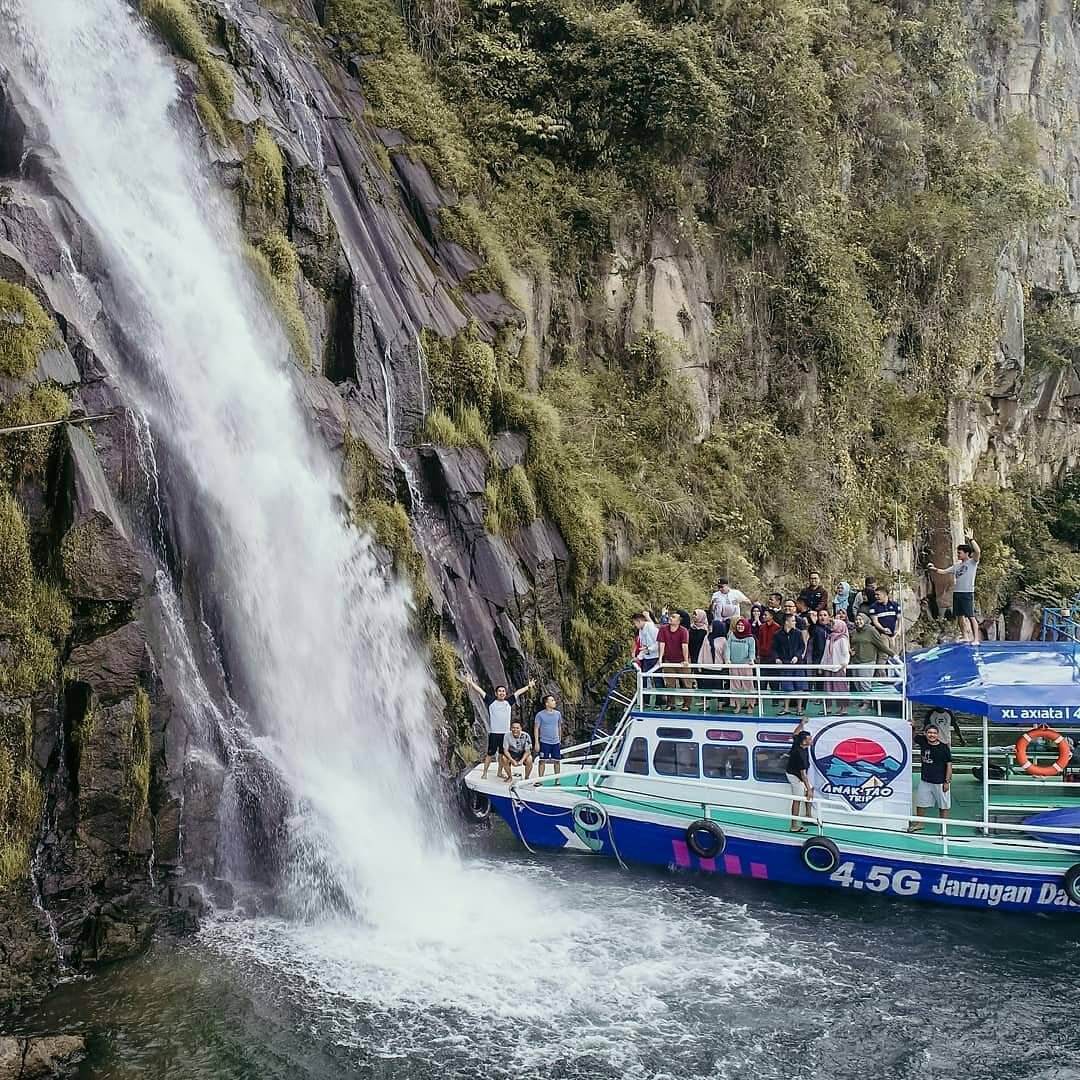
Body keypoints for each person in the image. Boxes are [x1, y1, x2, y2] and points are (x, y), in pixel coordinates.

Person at [461, 673, 536, 780]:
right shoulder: (491, 702)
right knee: (490, 754)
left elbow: (518, 692)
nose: (502, 693)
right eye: (499, 691)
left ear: (505, 694)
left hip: (506, 734)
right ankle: (485, 772)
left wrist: (529, 686)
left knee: (502, 755)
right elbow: (480, 691)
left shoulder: (508, 702)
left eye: (503, 691)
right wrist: (471, 682)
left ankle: (500, 772)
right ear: (496, 693)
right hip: (494, 733)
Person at [928, 538, 981, 644]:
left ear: (967, 553)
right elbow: (943, 571)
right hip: (957, 593)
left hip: (967, 593)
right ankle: (965, 636)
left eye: (960, 553)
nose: (958, 554)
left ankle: (976, 639)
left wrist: (971, 539)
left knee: (970, 616)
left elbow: (978, 551)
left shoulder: (972, 562)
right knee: (959, 615)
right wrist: (933, 568)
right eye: (957, 552)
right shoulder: (957, 566)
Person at [908, 723, 952, 830]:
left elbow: (949, 765)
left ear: (937, 734)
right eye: (930, 733)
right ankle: (920, 823)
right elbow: (912, 735)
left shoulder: (943, 748)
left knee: (943, 805)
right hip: (925, 780)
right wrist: (912, 726)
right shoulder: (923, 741)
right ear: (925, 733)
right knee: (921, 803)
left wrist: (947, 781)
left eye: (934, 733)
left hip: (940, 781)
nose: (932, 735)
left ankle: (943, 826)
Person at [848, 613, 888, 712]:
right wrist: (850, 650)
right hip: (855, 660)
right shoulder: (854, 632)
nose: (858, 621)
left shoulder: (871, 630)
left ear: (865, 620)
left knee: (864, 683)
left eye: (860, 619)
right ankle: (862, 700)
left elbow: (880, 645)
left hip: (867, 660)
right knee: (857, 683)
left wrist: (892, 654)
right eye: (856, 620)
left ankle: (867, 703)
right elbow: (852, 644)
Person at [774, 612, 808, 716]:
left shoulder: (798, 633)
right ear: (786, 622)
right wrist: (777, 658)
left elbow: (802, 646)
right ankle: (786, 708)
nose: (794, 622)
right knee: (786, 686)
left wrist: (797, 656)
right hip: (785, 663)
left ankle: (799, 708)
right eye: (793, 620)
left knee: (800, 686)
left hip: (797, 663)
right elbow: (774, 649)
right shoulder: (777, 634)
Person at [657, 609, 692, 711]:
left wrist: (685, 660)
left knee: (686, 683)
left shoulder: (683, 631)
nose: (670, 618)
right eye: (670, 616)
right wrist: (660, 659)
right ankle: (670, 704)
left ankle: (687, 704)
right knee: (670, 683)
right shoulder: (663, 629)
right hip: (669, 659)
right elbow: (662, 644)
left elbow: (684, 646)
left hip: (681, 659)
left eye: (673, 617)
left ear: (679, 621)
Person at [785, 718, 813, 832]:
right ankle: (794, 825)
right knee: (797, 799)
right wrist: (808, 789)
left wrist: (802, 724)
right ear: (804, 742)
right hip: (794, 775)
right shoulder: (800, 755)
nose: (811, 740)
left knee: (811, 789)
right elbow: (803, 775)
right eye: (809, 739)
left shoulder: (798, 742)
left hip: (797, 772)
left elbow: (795, 733)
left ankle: (808, 816)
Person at [726, 617, 757, 714]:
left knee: (748, 685)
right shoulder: (732, 635)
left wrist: (751, 659)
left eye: (742, 625)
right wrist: (727, 659)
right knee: (735, 686)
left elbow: (752, 651)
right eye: (738, 625)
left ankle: (750, 706)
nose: (740, 627)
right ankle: (737, 706)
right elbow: (728, 648)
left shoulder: (750, 638)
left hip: (745, 665)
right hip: (734, 665)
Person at [822, 615, 851, 713]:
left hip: (838, 666)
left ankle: (843, 709)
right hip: (828, 666)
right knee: (827, 688)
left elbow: (846, 653)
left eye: (834, 624)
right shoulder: (830, 637)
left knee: (840, 687)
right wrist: (822, 665)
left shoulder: (842, 639)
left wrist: (845, 663)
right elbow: (826, 652)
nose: (832, 625)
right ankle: (828, 708)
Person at [533, 694, 563, 777]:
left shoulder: (558, 714)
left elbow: (559, 727)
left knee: (557, 761)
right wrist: (536, 742)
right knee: (542, 761)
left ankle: (557, 780)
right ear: (546, 703)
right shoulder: (540, 715)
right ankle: (540, 780)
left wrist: (560, 739)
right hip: (544, 742)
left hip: (555, 742)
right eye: (552, 700)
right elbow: (536, 728)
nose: (554, 702)